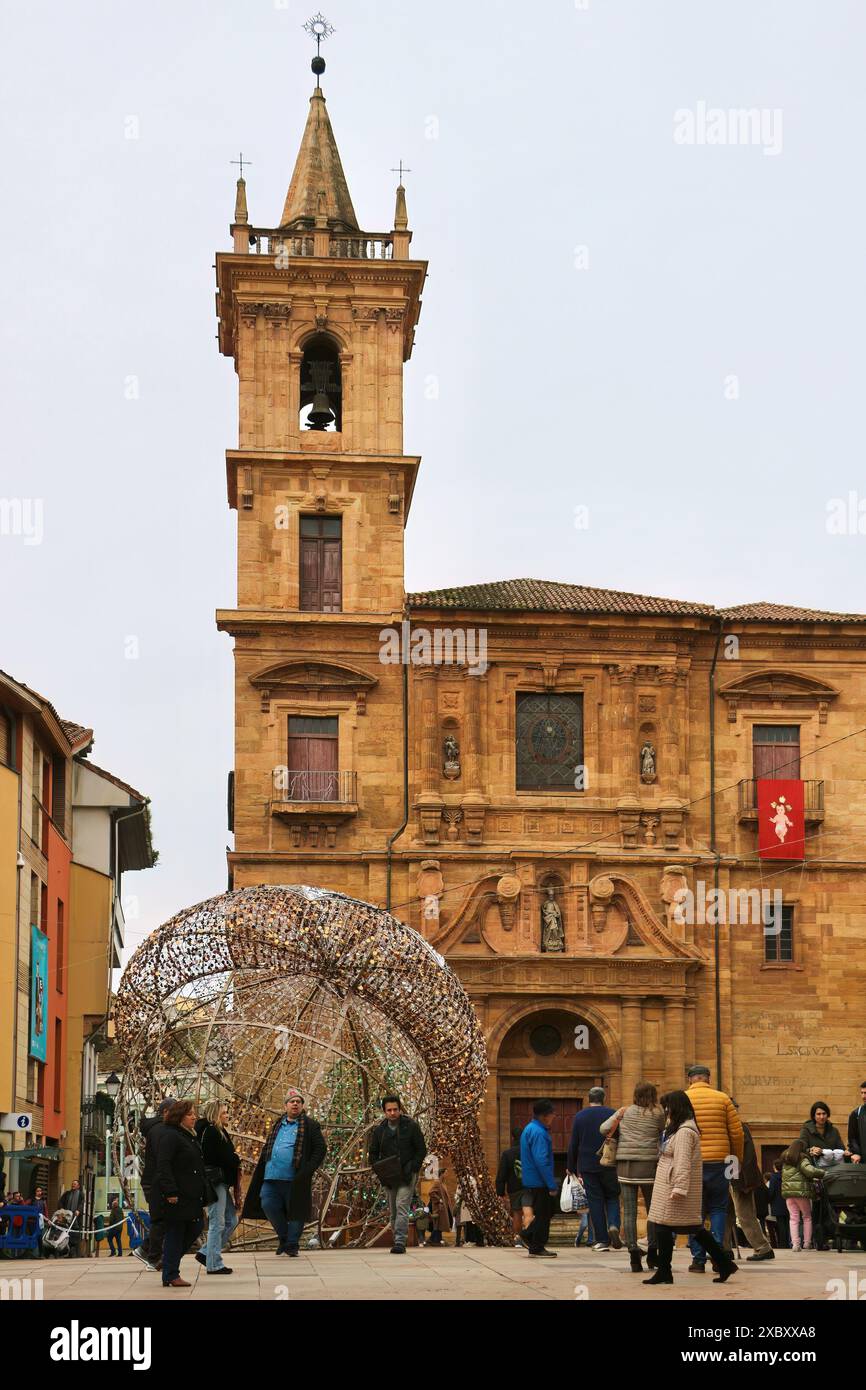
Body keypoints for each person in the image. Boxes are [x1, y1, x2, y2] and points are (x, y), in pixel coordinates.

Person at [643, 1091, 737, 1287]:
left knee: (682, 1227)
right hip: (667, 1185)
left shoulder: (685, 1131)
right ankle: (667, 1271)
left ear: (677, 1107)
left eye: (668, 1107)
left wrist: (679, 1187)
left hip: (675, 1187)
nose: (666, 1111)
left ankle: (666, 1272)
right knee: (671, 1226)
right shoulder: (677, 1128)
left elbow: (683, 1161)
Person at [243, 1087, 326, 1257]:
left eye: (298, 1101)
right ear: (286, 1106)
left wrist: (307, 1170)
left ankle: (292, 1245)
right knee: (267, 1204)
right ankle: (284, 1237)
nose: (295, 1104)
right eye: (291, 1101)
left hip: (295, 1178)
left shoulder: (310, 1125)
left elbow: (320, 1149)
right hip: (271, 1176)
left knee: (296, 1211)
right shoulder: (277, 1124)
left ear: (302, 1105)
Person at [684, 1065, 743, 1273]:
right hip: (721, 1161)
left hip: (693, 1162)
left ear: (690, 1079)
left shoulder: (682, 1099)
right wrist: (736, 1159)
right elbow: (737, 1133)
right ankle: (718, 1257)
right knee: (718, 1208)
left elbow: (672, 1131)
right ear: (708, 1079)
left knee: (695, 1212)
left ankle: (698, 1259)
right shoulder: (723, 1098)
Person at [600, 1081, 664, 1271]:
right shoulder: (658, 1113)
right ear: (653, 1096)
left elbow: (603, 1129)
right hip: (650, 1167)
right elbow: (664, 1130)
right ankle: (653, 1251)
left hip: (625, 1166)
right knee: (654, 1211)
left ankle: (633, 1253)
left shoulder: (624, 1111)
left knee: (629, 1211)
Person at [152, 1099, 207, 1288]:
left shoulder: (187, 1135)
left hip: (190, 1194)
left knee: (196, 1225)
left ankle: (168, 1263)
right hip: (177, 1195)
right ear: (180, 1117)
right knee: (176, 1232)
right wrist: (170, 1191)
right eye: (190, 1114)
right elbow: (163, 1164)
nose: (194, 1116)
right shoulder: (170, 1136)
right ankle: (170, 1273)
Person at [367, 1094, 427, 1255]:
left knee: (401, 1205)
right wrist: (380, 1170)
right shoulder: (380, 1131)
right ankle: (397, 1239)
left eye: (395, 1109)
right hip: (389, 1175)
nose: (392, 1113)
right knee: (393, 1209)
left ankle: (400, 1241)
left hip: (407, 1174)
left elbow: (421, 1149)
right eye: (389, 1110)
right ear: (384, 1112)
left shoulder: (411, 1126)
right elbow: (372, 1153)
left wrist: (413, 1167)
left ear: (400, 1109)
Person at [566, 1086, 621, 1251]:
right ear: (604, 1098)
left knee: (595, 1201)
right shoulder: (613, 1114)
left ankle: (602, 1240)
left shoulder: (580, 1116)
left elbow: (573, 1143)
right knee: (612, 1197)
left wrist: (570, 1166)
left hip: (588, 1165)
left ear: (589, 1098)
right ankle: (614, 1225)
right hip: (610, 1163)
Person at [195, 1099, 241, 1275]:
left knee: (231, 1219)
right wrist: (235, 1159)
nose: (227, 1115)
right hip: (214, 1181)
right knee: (218, 1222)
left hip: (220, 1181)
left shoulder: (219, 1131)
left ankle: (206, 1253)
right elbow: (222, 1157)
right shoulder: (212, 1132)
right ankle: (214, 1264)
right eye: (224, 1112)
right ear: (215, 1114)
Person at [799, 1101, 848, 1250]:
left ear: (828, 1115)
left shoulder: (833, 1130)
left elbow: (840, 1147)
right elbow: (801, 1149)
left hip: (832, 1174)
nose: (821, 1117)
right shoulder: (806, 1130)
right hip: (814, 1173)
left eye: (824, 1114)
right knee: (818, 1207)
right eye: (818, 1114)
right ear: (814, 1116)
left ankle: (830, 1236)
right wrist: (811, 1150)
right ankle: (818, 1239)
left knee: (831, 1206)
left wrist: (845, 1152)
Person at [729, 1102, 774, 1262]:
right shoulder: (732, 1128)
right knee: (727, 1213)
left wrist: (742, 1182)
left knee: (744, 1214)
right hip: (731, 1175)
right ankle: (724, 1248)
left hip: (741, 1178)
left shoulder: (739, 1129)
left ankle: (763, 1248)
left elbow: (747, 1158)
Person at [136, 1097, 175, 1270]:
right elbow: (163, 1159)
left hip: (154, 1180)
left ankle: (146, 1250)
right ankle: (152, 1257)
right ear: (165, 1112)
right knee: (161, 1220)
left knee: (164, 1219)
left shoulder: (159, 1129)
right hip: (155, 1181)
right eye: (175, 1110)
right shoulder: (160, 1130)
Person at [520, 1099, 558, 1259]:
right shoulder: (539, 1133)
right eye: (552, 1114)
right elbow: (542, 1160)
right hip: (539, 1179)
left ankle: (529, 1235)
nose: (554, 1117)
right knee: (545, 1213)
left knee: (544, 1212)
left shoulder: (530, 1128)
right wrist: (551, 1184)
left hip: (530, 1177)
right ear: (544, 1116)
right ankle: (536, 1245)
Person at [779, 1140, 824, 1251]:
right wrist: (824, 1173)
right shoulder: (802, 1158)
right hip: (801, 1193)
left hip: (788, 1193)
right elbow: (810, 1171)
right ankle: (807, 1243)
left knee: (793, 1218)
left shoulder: (785, 1159)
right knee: (807, 1217)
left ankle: (795, 1244)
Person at [495, 1126, 527, 1246]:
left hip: (514, 1188)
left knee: (517, 1213)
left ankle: (518, 1239)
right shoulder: (529, 1151)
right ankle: (530, 1237)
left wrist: (500, 1192)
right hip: (529, 1186)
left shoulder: (508, 1154)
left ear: (512, 1137)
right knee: (530, 1212)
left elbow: (501, 1174)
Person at [427, 1166, 454, 1247]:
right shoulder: (437, 1182)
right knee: (438, 1224)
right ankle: (433, 1240)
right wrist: (439, 1200)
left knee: (441, 1224)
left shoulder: (442, 1183)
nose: (447, 1174)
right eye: (446, 1173)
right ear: (442, 1174)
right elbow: (431, 1192)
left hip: (444, 1208)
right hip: (439, 1208)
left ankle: (436, 1240)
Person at [58, 1178, 83, 1258]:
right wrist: (62, 1209)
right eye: (72, 1184)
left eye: (75, 1184)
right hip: (67, 1218)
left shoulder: (81, 1194)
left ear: (78, 1186)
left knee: (75, 1235)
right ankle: (67, 1252)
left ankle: (75, 1253)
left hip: (76, 1219)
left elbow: (82, 1203)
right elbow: (60, 1201)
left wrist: (78, 1210)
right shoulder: (67, 1193)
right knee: (66, 1234)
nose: (73, 1185)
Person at [765, 1168, 789, 1248]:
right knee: (788, 1224)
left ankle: (783, 1244)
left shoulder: (773, 1178)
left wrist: (769, 1200)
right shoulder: (787, 1175)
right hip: (788, 1202)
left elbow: (771, 1192)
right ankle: (788, 1243)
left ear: (774, 1167)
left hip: (777, 1204)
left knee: (781, 1225)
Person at [847, 1082, 866, 1162]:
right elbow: (852, 1138)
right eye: (862, 1093)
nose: (863, 1096)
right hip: (863, 1161)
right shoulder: (855, 1114)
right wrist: (856, 1153)